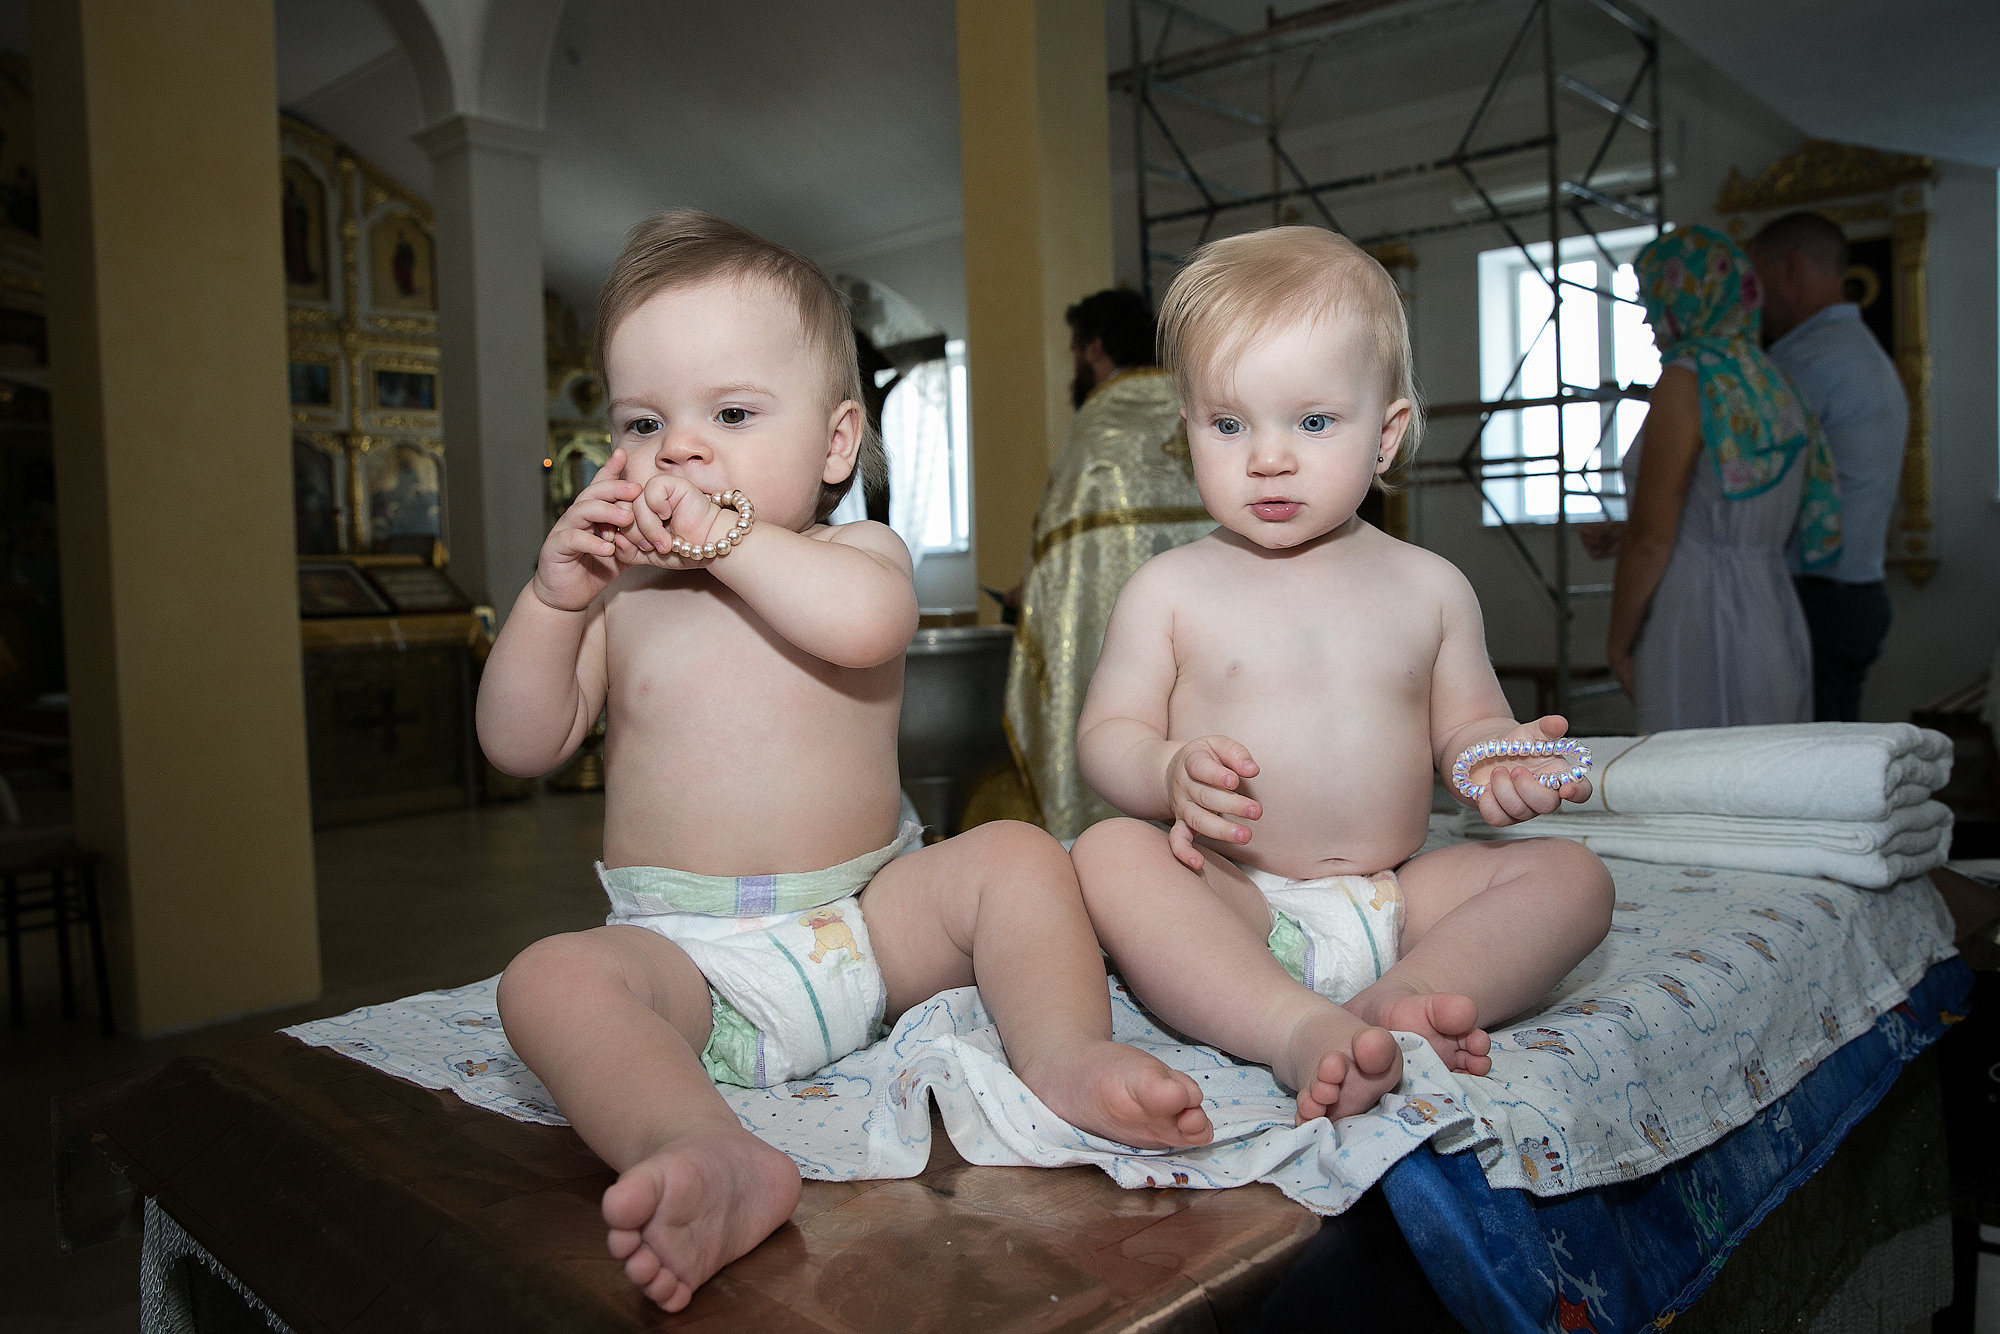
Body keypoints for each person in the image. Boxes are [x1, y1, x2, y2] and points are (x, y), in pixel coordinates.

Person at [478, 212, 1211, 1313]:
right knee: (548, 979)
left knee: (1015, 856)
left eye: (729, 412)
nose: (678, 447)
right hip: (695, 964)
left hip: (870, 923)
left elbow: (864, 627)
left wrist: (729, 541)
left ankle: (1060, 1053)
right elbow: (519, 742)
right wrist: (550, 601)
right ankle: (702, 1144)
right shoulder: (620, 598)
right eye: (643, 420)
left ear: (832, 446)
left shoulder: (850, 553)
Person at [1069, 227, 1613, 1122]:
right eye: (1229, 423)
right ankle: (1287, 1027)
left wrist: (1496, 760)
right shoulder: (1169, 590)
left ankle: (1407, 997)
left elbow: (1466, 725)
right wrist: (1165, 769)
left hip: (1400, 900)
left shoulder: (1431, 587)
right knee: (1110, 854)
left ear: (1387, 433)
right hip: (1238, 896)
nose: (1268, 457)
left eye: (1314, 422)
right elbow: (1106, 736)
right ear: (1188, 430)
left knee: (1573, 879)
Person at [1600, 225, 1841, 731]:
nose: (1645, 315)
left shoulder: (1687, 380)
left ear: (1688, 294)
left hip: (1695, 613)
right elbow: (1724, 510)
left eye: (1651, 297)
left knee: (1691, 781)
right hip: (1770, 604)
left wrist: (1619, 643)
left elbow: (1650, 541)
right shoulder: (1772, 382)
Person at [1002, 289, 1212, 839]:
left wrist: (1027, 596)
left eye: (1075, 350)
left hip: (1113, 634)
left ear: (1094, 347)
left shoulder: (1098, 425)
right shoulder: (1201, 410)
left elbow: (1059, 555)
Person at [1748, 211, 1908, 721]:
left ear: (1790, 268)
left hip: (1816, 598)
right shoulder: (1860, 352)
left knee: (1806, 773)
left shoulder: (1807, 361)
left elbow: (1752, 480)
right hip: (1852, 592)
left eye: (1756, 279)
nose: (1750, 299)